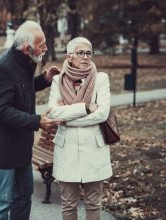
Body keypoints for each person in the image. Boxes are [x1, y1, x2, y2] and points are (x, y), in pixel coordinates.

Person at [0, 20, 62, 220]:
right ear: (26, 48)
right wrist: (36, 121)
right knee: (2, 202)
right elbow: (1, 110)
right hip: (3, 150)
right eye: (42, 45)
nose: (46, 48)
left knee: (24, 195)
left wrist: (44, 80)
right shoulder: (3, 68)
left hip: (21, 147)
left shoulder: (24, 62)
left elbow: (20, 88)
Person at [47, 37, 113, 220]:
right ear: (69, 56)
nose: (85, 57)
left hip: (94, 148)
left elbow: (102, 114)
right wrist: (84, 108)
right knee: (68, 203)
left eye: (88, 53)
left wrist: (67, 117)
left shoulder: (100, 79)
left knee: (94, 203)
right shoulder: (57, 81)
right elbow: (53, 114)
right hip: (67, 149)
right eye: (80, 53)